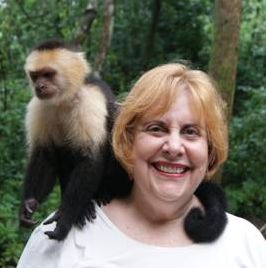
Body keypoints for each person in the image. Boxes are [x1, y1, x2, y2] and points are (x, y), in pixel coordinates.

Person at [17, 63, 266, 268]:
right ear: (127, 141)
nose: (174, 147)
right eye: (156, 128)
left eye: (191, 132)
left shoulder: (245, 245)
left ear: (209, 149)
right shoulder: (59, 241)